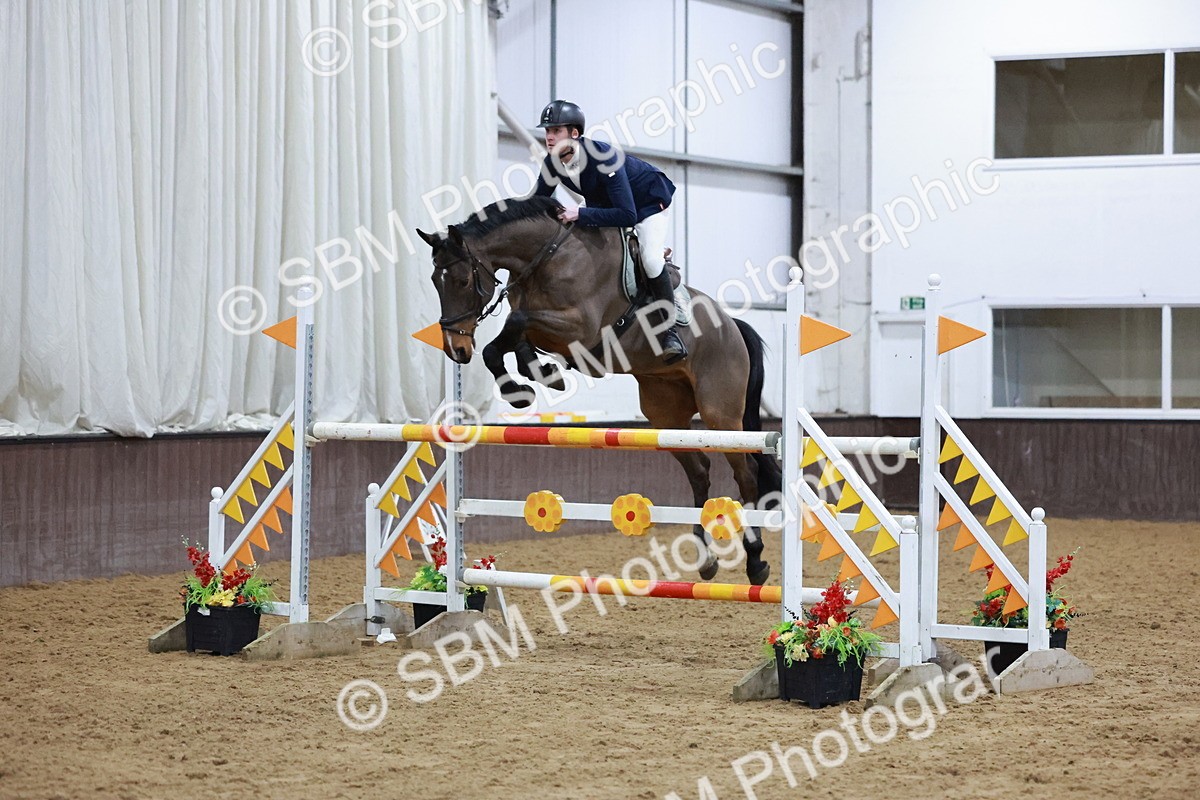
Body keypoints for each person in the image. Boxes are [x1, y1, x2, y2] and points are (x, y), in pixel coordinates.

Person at [532, 100, 687, 364]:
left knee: (650, 260)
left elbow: (627, 215)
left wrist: (579, 214)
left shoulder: (603, 158)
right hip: (605, 202)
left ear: (574, 134)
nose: (549, 136)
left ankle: (669, 331)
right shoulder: (553, 162)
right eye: (547, 130)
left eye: (556, 130)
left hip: (647, 203)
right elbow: (537, 203)